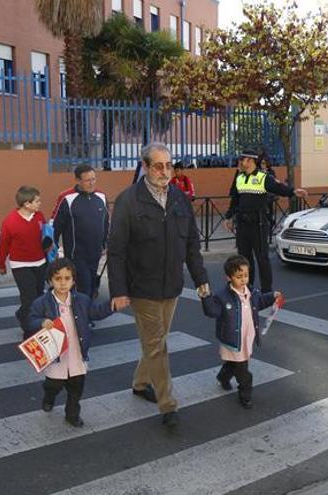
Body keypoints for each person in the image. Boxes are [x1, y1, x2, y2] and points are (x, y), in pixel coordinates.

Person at [107, 142, 210, 427]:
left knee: (156, 340)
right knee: (157, 346)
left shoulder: (178, 198)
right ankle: (168, 405)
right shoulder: (129, 200)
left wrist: (201, 279)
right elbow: (116, 250)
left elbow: (191, 243)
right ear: (145, 166)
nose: (165, 171)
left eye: (169, 165)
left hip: (172, 285)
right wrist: (118, 290)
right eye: (158, 166)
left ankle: (140, 384)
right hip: (142, 287)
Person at [28, 258, 114, 427]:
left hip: (76, 354)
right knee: (54, 384)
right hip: (56, 357)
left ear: (73, 280)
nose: (63, 283)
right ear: (50, 281)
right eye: (58, 278)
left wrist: (112, 305)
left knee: (76, 388)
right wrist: (41, 322)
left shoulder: (82, 300)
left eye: (67, 278)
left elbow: (96, 312)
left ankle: (72, 414)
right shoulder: (42, 303)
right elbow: (30, 320)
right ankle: (49, 395)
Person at [201, 255, 281, 409]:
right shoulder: (222, 296)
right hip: (232, 339)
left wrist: (271, 297)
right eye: (239, 277)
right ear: (229, 277)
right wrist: (205, 298)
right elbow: (212, 312)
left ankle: (223, 377)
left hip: (246, 336)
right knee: (243, 370)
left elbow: (260, 302)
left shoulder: (251, 291)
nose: (244, 279)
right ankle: (245, 394)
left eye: (246, 275)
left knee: (233, 363)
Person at [224, 150, 307, 293]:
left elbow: (278, 188)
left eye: (242, 159)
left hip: (259, 225)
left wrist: (293, 191)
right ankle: (248, 290)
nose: (240, 162)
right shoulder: (239, 177)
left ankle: (266, 291)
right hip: (243, 225)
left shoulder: (263, 177)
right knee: (244, 260)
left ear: (250, 161)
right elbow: (235, 200)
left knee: (262, 259)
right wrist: (228, 217)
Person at [0, 185, 48, 336]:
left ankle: (22, 313)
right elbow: (3, 245)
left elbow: (45, 235)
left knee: (38, 296)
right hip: (21, 265)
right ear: (27, 203)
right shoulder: (10, 222)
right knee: (29, 298)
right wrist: (1, 264)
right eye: (37, 201)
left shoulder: (39, 216)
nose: (40, 203)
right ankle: (29, 329)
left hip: (40, 262)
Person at [52, 165, 109, 299]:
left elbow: (106, 223)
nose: (92, 183)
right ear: (78, 180)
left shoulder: (101, 197)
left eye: (94, 179)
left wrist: (106, 244)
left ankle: (82, 313)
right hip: (76, 255)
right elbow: (55, 226)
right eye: (87, 180)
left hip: (96, 254)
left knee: (90, 286)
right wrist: (52, 248)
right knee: (84, 288)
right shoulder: (67, 198)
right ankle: (82, 317)